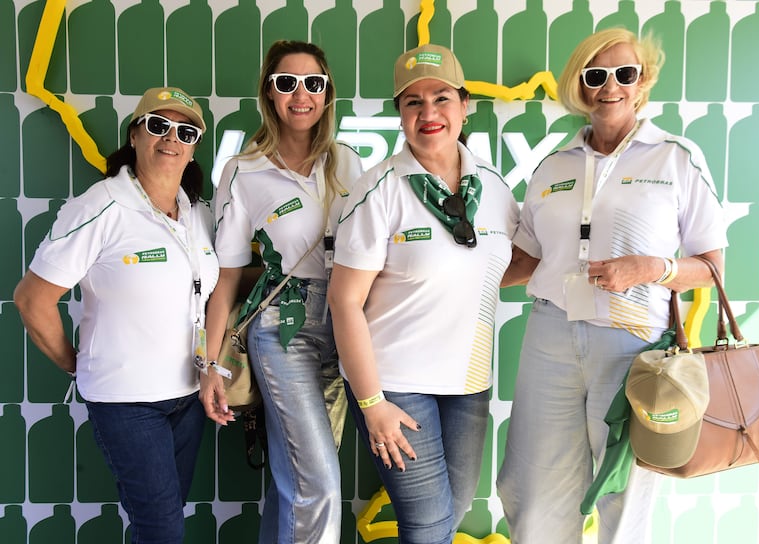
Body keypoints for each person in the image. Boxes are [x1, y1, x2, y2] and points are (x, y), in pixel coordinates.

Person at [495, 28, 727, 543]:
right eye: (595, 76)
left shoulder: (676, 157)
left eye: (625, 74)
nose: (610, 87)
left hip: (633, 340)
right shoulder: (552, 166)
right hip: (550, 336)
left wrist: (653, 269)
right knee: (533, 487)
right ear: (581, 85)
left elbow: (713, 269)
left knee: (625, 492)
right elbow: (527, 259)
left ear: (642, 82)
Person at [327, 43, 518, 544]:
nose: (429, 113)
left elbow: (502, 265)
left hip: (469, 383)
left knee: (449, 515)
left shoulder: (495, 189)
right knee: (428, 524)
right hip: (395, 384)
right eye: (413, 102)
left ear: (464, 104)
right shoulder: (378, 191)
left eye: (441, 98)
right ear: (400, 114)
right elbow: (344, 302)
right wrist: (372, 404)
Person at [14, 87, 218, 544]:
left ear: (194, 146)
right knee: (162, 529)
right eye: (158, 125)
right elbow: (32, 298)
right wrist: (74, 362)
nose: (171, 138)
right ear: (135, 135)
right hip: (126, 400)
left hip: (188, 395)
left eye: (185, 131)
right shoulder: (100, 205)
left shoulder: (196, 212)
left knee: (162, 520)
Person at [198, 40, 362, 543]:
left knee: (297, 483)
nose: (300, 95)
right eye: (286, 82)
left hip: (346, 328)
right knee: (319, 486)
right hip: (281, 330)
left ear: (327, 93)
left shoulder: (350, 165)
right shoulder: (244, 172)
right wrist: (212, 364)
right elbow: (226, 278)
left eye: (313, 83)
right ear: (269, 93)